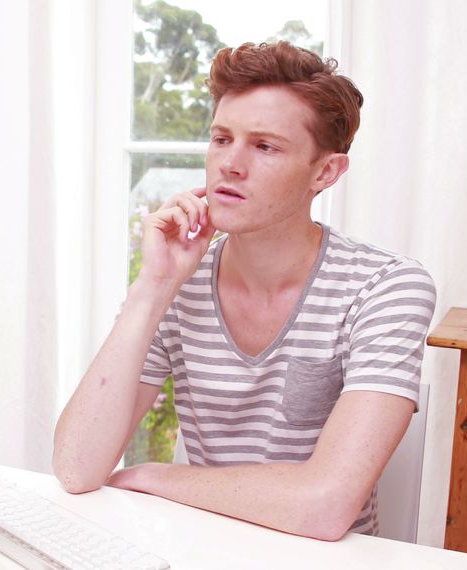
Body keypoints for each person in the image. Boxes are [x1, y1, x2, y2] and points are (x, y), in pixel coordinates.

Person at [52, 41, 436, 541]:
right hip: (199, 544)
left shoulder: (386, 286)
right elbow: (76, 467)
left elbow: (324, 507)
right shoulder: (180, 282)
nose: (229, 165)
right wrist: (154, 287)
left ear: (325, 172)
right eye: (220, 139)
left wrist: (154, 475)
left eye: (264, 146)